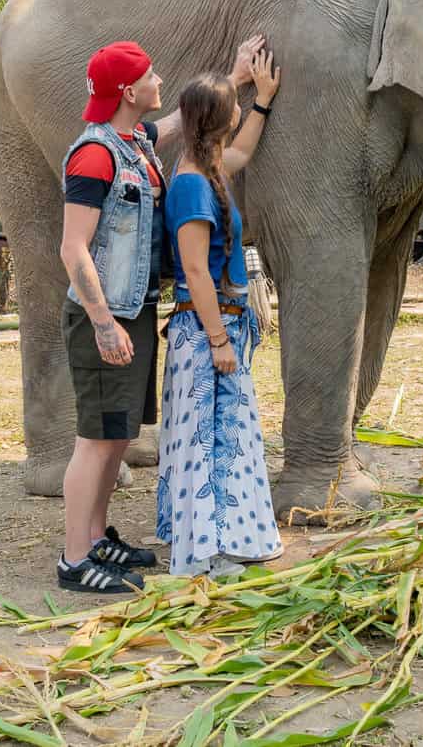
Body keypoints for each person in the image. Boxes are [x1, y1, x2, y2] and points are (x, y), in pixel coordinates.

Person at [57, 35, 266, 594]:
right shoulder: (95, 154)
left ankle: (96, 538)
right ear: (129, 92)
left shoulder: (136, 141)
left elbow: (186, 119)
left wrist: (237, 79)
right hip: (106, 317)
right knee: (94, 440)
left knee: (117, 436)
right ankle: (75, 558)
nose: (159, 81)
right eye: (149, 76)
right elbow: (73, 248)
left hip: (135, 310)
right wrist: (103, 322)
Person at [156, 51, 283, 578]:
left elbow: (244, 150)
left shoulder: (208, 168)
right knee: (211, 439)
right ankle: (208, 553)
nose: (239, 112)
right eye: (235, 106)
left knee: (226, 431)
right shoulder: (191, 184)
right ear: (220, 119)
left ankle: (230, 540)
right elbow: (194, 269)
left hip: (220, 323)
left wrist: (263, 100)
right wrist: (218, 339)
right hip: (205, 328)